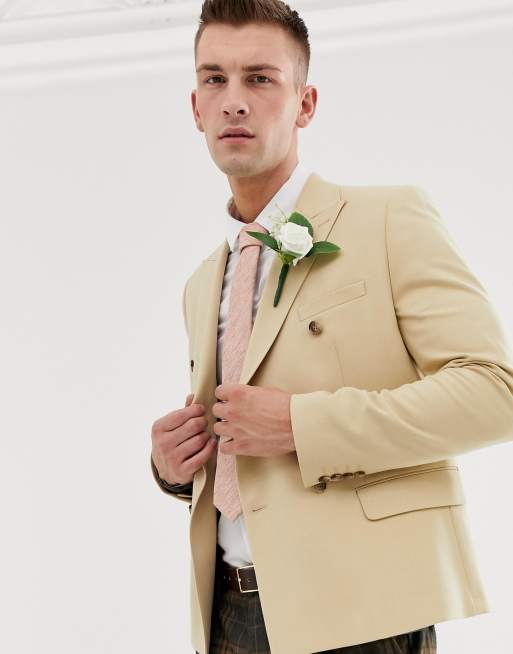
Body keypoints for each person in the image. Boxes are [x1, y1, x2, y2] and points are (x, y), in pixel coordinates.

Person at [150, 1, 513, 653]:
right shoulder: (203, 282)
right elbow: (240, 456)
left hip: (362, 610)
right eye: (214, 79)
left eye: (260, 78)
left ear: (305, 102)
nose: (235, 101)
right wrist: (176, 469)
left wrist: (301, 425)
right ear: (195, 108)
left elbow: (495, 392)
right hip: (228, 611)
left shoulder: (388, 219)